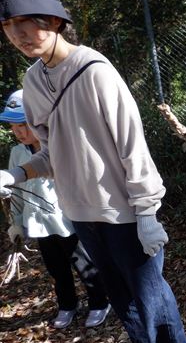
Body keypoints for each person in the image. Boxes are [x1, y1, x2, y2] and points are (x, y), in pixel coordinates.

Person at [0, 0, 186, 343]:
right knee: (119, 294)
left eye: (26, 22)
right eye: (8, 25)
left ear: (53, 20)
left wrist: (146, 211)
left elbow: (133, 146)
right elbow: (52, 152)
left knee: (150, 294)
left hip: (124, 211)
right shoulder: (34, 81)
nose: (18, 34)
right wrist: (16, 174)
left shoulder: (95, 72)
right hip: (80, 212)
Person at [1, 89, 111, 329]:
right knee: (56, 268)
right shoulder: (17, 153)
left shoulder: (58, 146)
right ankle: (68, 305)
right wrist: (16, 223)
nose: (19, 132)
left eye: (23, 124)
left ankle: (100, 301)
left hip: (68, 221)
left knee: (83, 262)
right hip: (39, 224)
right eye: (13, 126)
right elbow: (17, 191)